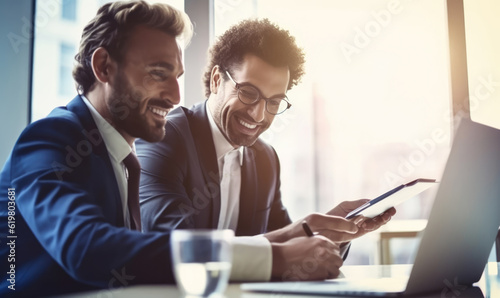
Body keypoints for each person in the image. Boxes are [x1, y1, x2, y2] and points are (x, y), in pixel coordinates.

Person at [136, 19, 396, 282]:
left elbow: (287, 246)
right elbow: (173, 247)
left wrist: (329, 231)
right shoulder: (165, 139)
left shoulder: (265, 159)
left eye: (274, 102)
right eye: (248, 92)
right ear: (217, 80)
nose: (259, 114)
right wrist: (297, 235)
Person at [0, 1, 193, 296]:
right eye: (158, 73)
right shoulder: (50, 138)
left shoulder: (119, 155)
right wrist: (264, 253)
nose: (175, 96)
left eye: (177, 77)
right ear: (103, 67)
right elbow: (86, 248)